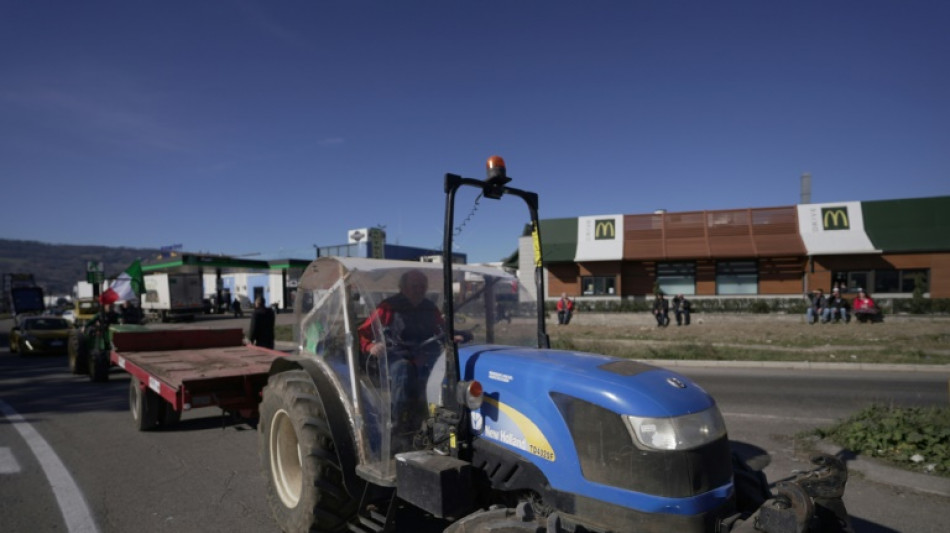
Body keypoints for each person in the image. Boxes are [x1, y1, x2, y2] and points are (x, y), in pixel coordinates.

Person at [358, 270, 471, 442]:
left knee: (449, 371)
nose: (418, 289)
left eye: (422, 286)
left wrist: (452, 337)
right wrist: (371, 346)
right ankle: (399, 426)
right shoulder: (387, 307)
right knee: (404, 371)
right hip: (396, 357)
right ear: (402, 287)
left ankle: (442, 419)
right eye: (414, 286)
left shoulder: (429, 308)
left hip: (425, 356)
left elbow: (441, 330)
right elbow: (362, 332)